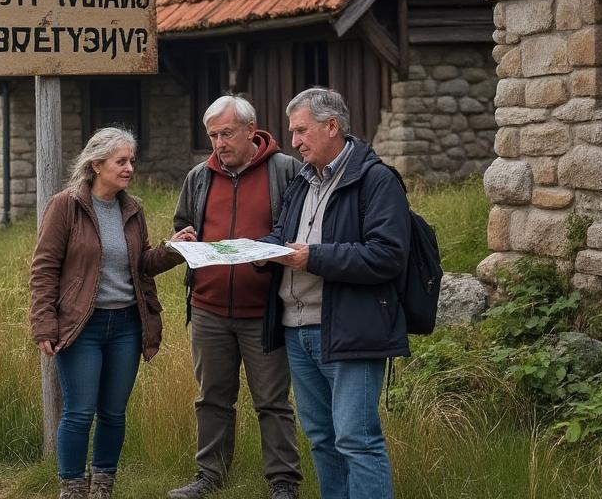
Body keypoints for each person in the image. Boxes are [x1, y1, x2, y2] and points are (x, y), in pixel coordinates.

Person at [262, 88, 411, 499]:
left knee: (356, 441)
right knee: (322, 440)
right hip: (297, 331)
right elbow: (284, 234)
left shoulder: (376, 180)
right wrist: (260, 249)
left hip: (350, 330)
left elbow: (388, 255)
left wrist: (314, 258)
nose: (293, 141)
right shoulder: (302, 182)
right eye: (292, 132)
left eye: (301, 130)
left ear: (332, 127)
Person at [29, 127, 182, 499]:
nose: (129, 167)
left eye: (131, 160)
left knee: (113, 413)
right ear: (96, 165)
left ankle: (102, 488)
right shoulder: (66, 206)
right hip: (83, 326)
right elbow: (44, 268)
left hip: (128, 325)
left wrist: (173, 250)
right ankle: (72, 488)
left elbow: (141, 263)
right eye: (121, 161)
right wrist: (44, 323)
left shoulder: (132, 208)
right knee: (80, 412)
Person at [167, 95, 303, 499]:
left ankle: (283, 482)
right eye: (212, 136)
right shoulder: (199, 176)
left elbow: (298, 232)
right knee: (212, 399)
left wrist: (269, 254)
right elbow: (183, 225)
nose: (219, 143)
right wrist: (183, 240)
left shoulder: (286, 171)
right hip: (208, 309)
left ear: (250, 129)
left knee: (272, 402)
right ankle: (209, 476)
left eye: (226, 133)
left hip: (264, 310)